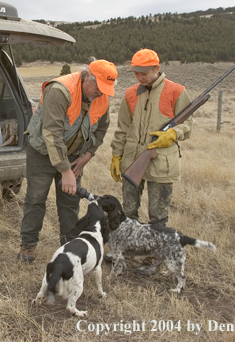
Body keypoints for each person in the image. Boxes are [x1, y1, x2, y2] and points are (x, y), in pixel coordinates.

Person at [17, 59, 118, 263]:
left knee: (70, 203)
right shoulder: (60, 90)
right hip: (43, 153)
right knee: (36, 200)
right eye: (98, 87)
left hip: (74, 156)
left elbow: (101, 129)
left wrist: (87, 156)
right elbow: (52, 133)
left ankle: (69, 247)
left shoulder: (102, 98)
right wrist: (65, 171)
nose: (100, 93)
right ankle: (28, 245)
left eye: (105, 89)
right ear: (86, 76)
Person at [109, 48, 193, 276]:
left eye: (144, 73)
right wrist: (117, 155)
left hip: (160, 163)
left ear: (157, 69)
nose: (139, 77)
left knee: (158, 215)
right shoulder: (129, 94)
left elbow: (188, 125)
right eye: (136, 73)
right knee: (128, 211)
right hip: (132, 160)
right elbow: (122, 129)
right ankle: (125, 251)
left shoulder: (177, 91)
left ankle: (155, 256)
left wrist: (173, 134)